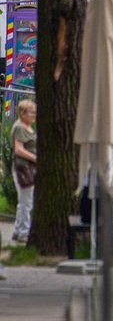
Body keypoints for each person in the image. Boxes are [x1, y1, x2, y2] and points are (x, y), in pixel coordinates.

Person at [11, 100, 37, 243]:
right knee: (27, 202)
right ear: (22, 113)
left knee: (24, 201)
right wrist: (35, 158)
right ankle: (23, 232)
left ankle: (17, 230)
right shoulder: (20, 128)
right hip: (23, 169)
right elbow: (19, 149)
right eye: (31, 112)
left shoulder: (28, 126)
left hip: (28, 169)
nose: (34, 115)